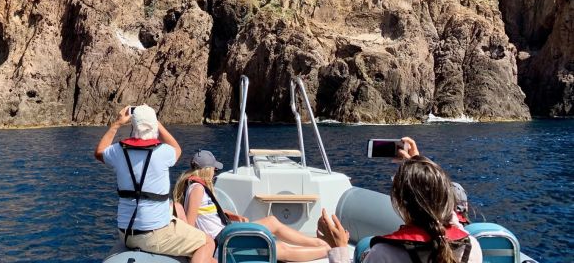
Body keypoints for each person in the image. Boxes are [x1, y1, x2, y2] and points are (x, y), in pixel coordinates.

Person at [316, 138, 482, 263]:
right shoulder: (471, 246)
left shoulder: (384, 254)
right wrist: (419, 166)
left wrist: (338, 250)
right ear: (446, 197)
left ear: (399, 204)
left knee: (361, 249)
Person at [94, 105, 216, 263]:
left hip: (126, 234)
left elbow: (99, 152)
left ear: (133, 125)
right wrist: (156, 122)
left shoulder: (118, 151)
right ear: (153, 125)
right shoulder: (164, 152)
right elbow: (177, 149)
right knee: (207, 243)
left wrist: (117, 123)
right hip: (154, 234)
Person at [173, 149, 331, 262]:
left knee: (272, 221)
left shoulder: (195, 186)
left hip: (225, 233)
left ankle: (319, 243)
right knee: (279, 248)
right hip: (222, 241)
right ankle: (327, 251)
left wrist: (231, 215)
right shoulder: (198, 189)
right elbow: (191, 225)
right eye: (214, 168)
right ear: (207, 170)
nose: (215, 171)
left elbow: (208, 213)